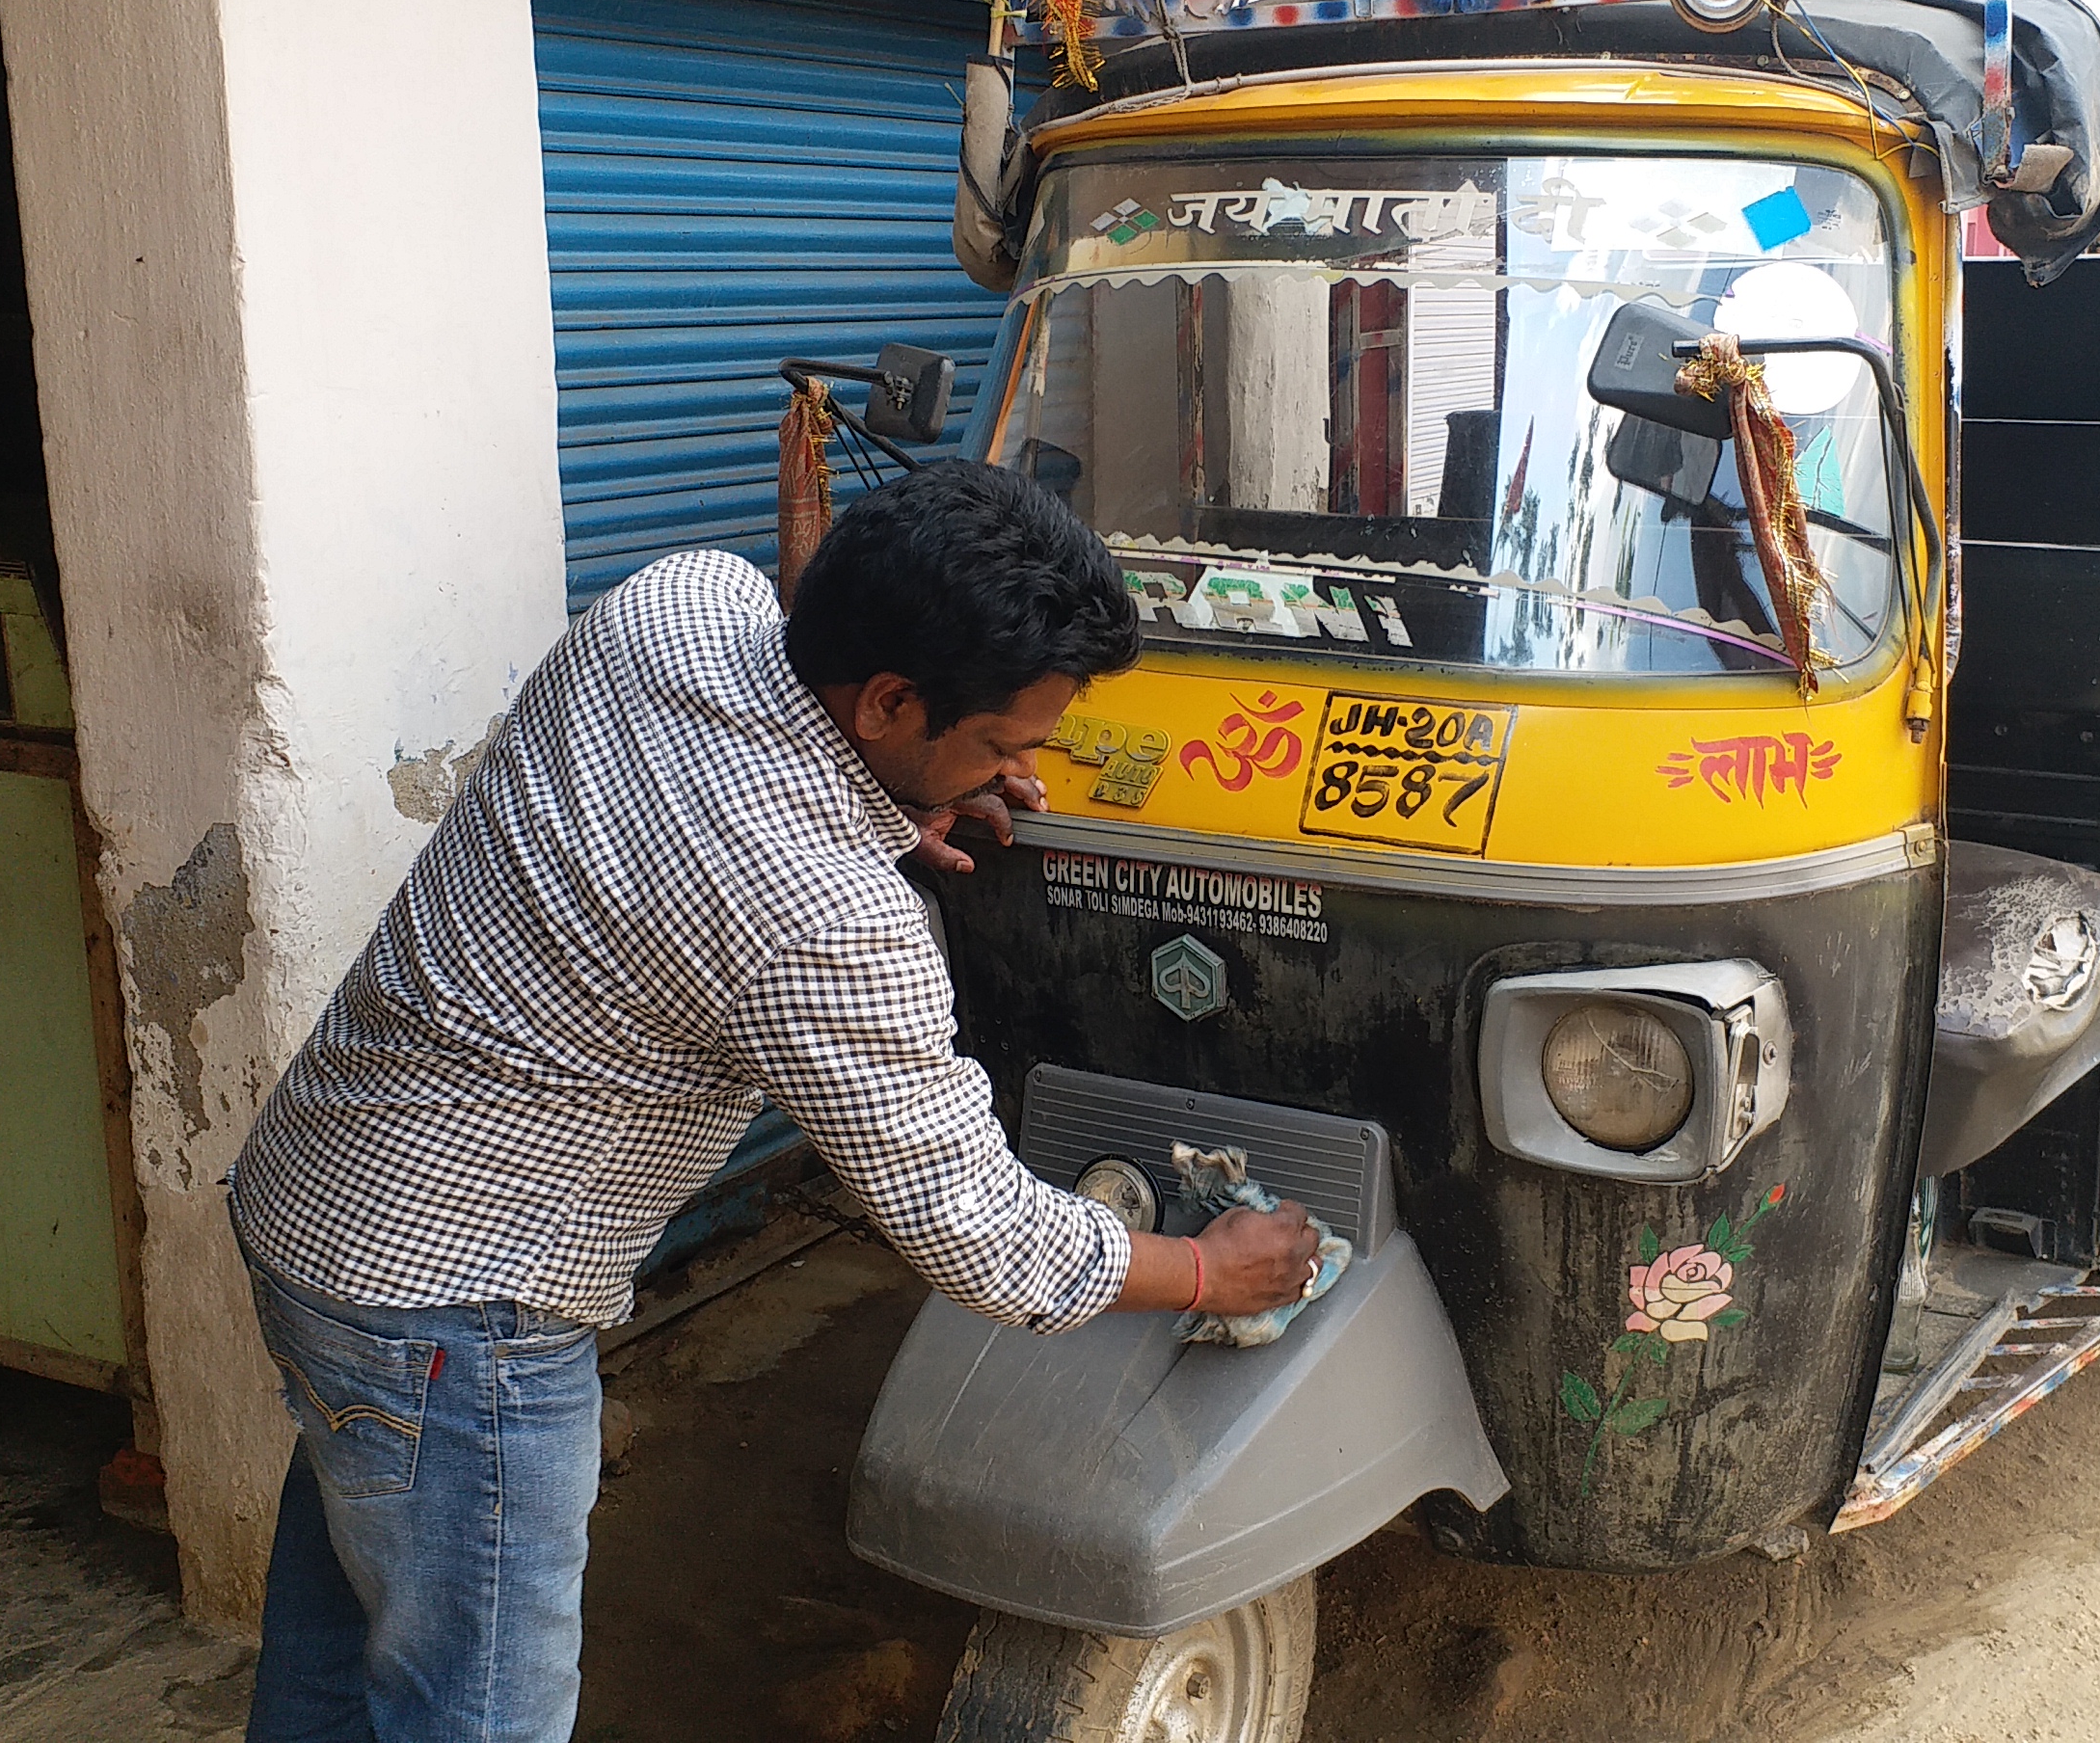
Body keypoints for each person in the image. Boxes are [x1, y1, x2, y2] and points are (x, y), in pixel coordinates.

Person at [228, 461, 1322, 1743]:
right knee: (474, 1711)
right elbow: (977, 1231)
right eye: (1009, 743)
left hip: (316, 1208)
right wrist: (1201, 1271)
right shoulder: (828, 922)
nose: (1028, 767)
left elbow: (724, 799)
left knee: (340, 1644)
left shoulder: (675, 606)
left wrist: (902, 795)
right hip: (457, 1318)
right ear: (891, 701)